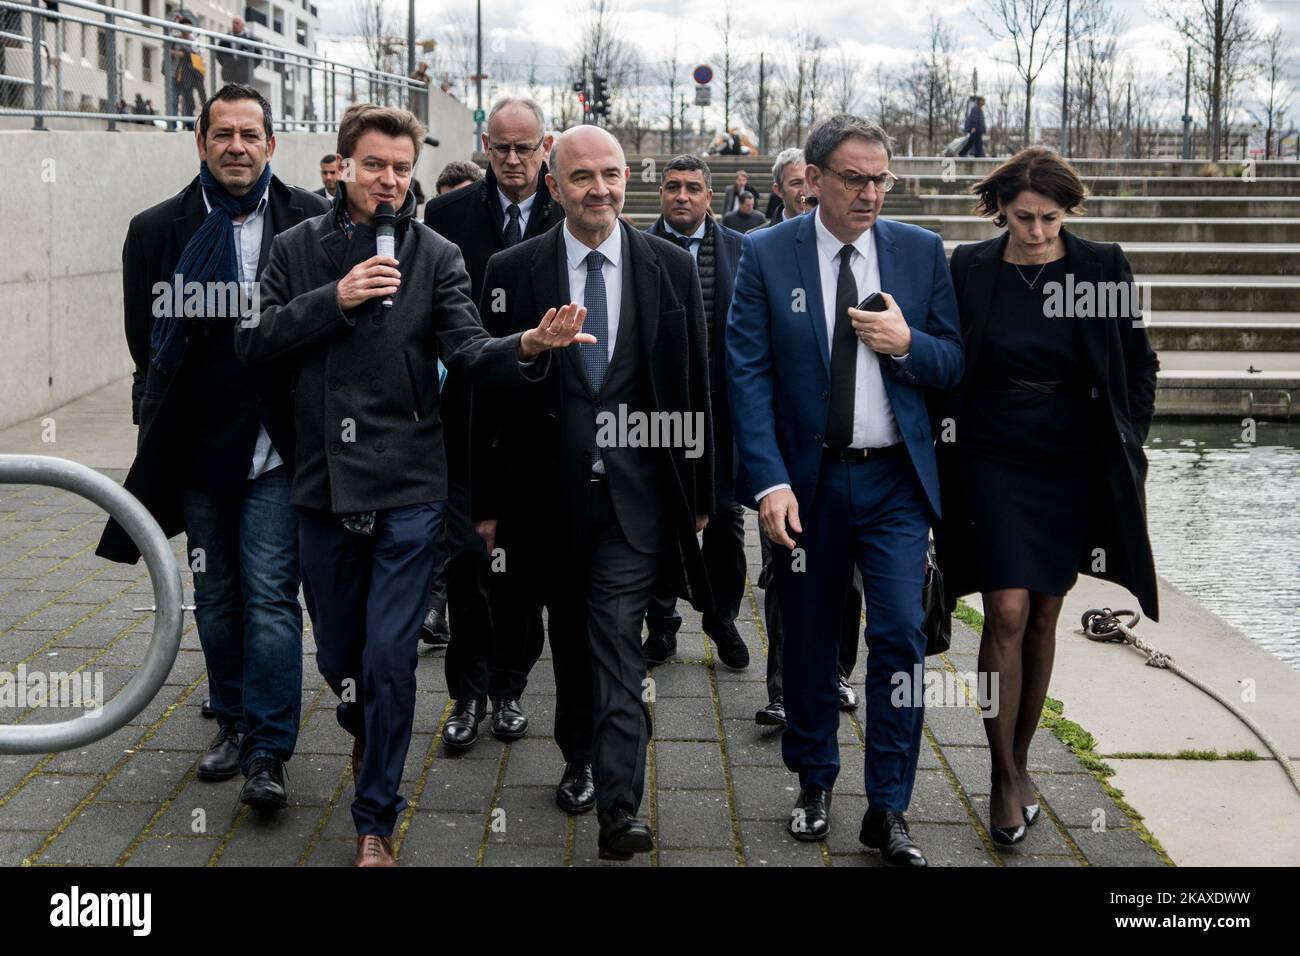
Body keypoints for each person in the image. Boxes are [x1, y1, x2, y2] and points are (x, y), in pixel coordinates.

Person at [234, 103, 587, 867]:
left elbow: (465, 349)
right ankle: (364, 724)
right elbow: (253, 340)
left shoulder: (436, 254)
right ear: (343, 168)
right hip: (324, 485)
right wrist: (338, 297)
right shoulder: (297, 249)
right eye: (374, 166)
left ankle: (375, 818)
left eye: (401, 168)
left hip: (410, 486)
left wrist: (526, 343)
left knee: (392, 657)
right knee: (341, 656)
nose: (389, 180)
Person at [470, 126, 713, 860]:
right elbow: (486, 391)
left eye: (610, 174)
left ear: (627, 175)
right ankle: (578, 755)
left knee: (615, 644)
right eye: (581, 177)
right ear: (553, 184)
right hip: (545, 499)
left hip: (636, 500)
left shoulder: (668, 266)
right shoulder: (513, 269)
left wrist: (699, 491)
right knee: (571, 641)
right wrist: (484, 502)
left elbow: (693, 381)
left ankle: (620, 806)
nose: (598, 189)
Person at [728, 114, 964, 865]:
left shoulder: (920, 254)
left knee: (899, 636)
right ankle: (815, 780)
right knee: (809, 639)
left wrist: (910, 347)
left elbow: (954, 363)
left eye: (881, 179)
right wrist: (767, 483)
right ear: (817, 180)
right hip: (807, 483)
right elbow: (747, 375)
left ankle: (889, 808)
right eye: (855, 179)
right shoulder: (766, 255)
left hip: (894, 481)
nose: (870, 193)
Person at [96, 84, 330, 813]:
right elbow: (148, 345)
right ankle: (229, 722)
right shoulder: (156, 229)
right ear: (200, 142)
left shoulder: (311, 221)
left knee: (270, 598)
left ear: (271, 144)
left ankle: (267, 750)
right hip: (196, 447)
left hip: (274, 447)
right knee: (218, 596)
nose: (236, 146)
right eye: (222, 134)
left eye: (249, 134)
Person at [937, 146, 1159, 846]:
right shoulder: (970, 267)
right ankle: (1003, 776)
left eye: (1049, 218)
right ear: (1001, 208)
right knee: (1005, 607)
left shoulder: (1098, 267)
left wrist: (1127, 441)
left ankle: (1024, 759)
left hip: (1071, 460)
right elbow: (950, 363)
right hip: (992, 453)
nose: (1035, 231)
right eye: (1023, 217)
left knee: (1044, 616)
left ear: (1068, 212)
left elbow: (1139, 361)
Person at [422, 97, 563, 753]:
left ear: (546, 146)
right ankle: (467, 694)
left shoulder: (572, 215)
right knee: (466, 569)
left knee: (523, 575)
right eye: (500, 148)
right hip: (466, 423)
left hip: (542, 426)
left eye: (524, 148)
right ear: (485, 144)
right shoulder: (446, 216)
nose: (511, 161)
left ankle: (509, 689)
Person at [642, 154, 748, 670]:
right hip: (659, 411)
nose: (681, 196)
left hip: (724, 414)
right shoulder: (637, 247)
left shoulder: (740, 250)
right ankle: (661, 625)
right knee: (661, 517)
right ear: (660, 194)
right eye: (672, 187)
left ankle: (722, 617)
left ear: (710, 196)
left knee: (725, 520)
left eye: (692, 188)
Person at [167, 13, 206, 129]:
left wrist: (186, 54)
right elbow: (167, 48)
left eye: (190, 27)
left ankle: (189, 123)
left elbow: (197, 56)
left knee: (189, 100)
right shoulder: (174, 39)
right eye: (185, 27)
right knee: (174, 99)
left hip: (188, 75)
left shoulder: (194, 41)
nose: (188, 30)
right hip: (175, 73)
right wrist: (177, 53)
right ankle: (173, 124)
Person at [215, 17, 258, 86]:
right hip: (229, 75)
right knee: (229, 95)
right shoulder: (226, 38)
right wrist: (226, 64)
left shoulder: (250, 38)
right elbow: (218, 53)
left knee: (243, 96)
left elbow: (258, 56)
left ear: (243, 25)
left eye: (237, 23)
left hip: (244, 76)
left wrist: (249, 67)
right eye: (233, 23)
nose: (234, 25)